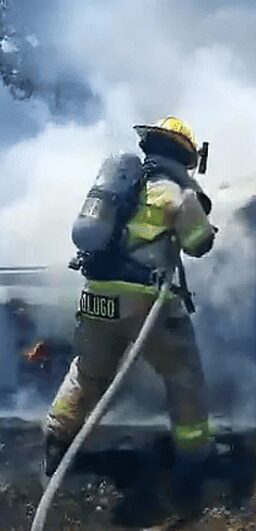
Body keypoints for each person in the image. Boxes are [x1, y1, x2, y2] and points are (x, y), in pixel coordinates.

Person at [43, 116, 217, 509]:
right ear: (186, 156)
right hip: (145, 303)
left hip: (95, 295)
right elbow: (198, 244)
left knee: (87, 373)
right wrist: (202, 224)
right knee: (184, 378)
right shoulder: (175, 194)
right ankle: (193, 461)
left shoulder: (121, 189)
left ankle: (55, 445)